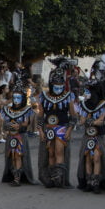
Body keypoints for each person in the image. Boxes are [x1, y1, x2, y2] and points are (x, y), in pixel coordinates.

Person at [38, 59, 77, 188]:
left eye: (61, 86)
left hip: (61, 127)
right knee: (51, 153)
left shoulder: (68, 96)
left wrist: (70, 130)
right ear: (51, 84)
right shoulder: (44, 96)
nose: (59, 89)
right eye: (56, 86)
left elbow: (73, 115)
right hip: (48, 128)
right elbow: (40, 116)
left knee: (59, 151)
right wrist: (40, 131)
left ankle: (59, 177)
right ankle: (51, 177)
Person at [76, 79, 105, 194]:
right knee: (87, 157)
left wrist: (90, 121)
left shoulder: (104, 104)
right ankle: (88, 181)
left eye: (88, 91)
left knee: (97, 158)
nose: (86, 94)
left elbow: (101, 121)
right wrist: (84, 119)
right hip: (87, 135)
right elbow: (81, 121)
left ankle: (97, 181)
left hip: (99, 135)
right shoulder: (83, 105)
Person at [0, 80, 37, 186]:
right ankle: (13, 175)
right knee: (11, 156)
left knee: (18, 156)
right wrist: (7, 126)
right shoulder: (7, 110)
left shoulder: (26, 110)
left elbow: (26, 124)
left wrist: (19, 126)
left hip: (20, 136)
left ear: (23, 99)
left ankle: (17, 178)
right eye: (14, 98)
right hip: (10, 136)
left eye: (18, 98)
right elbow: (4, 122)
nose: (16, 100)